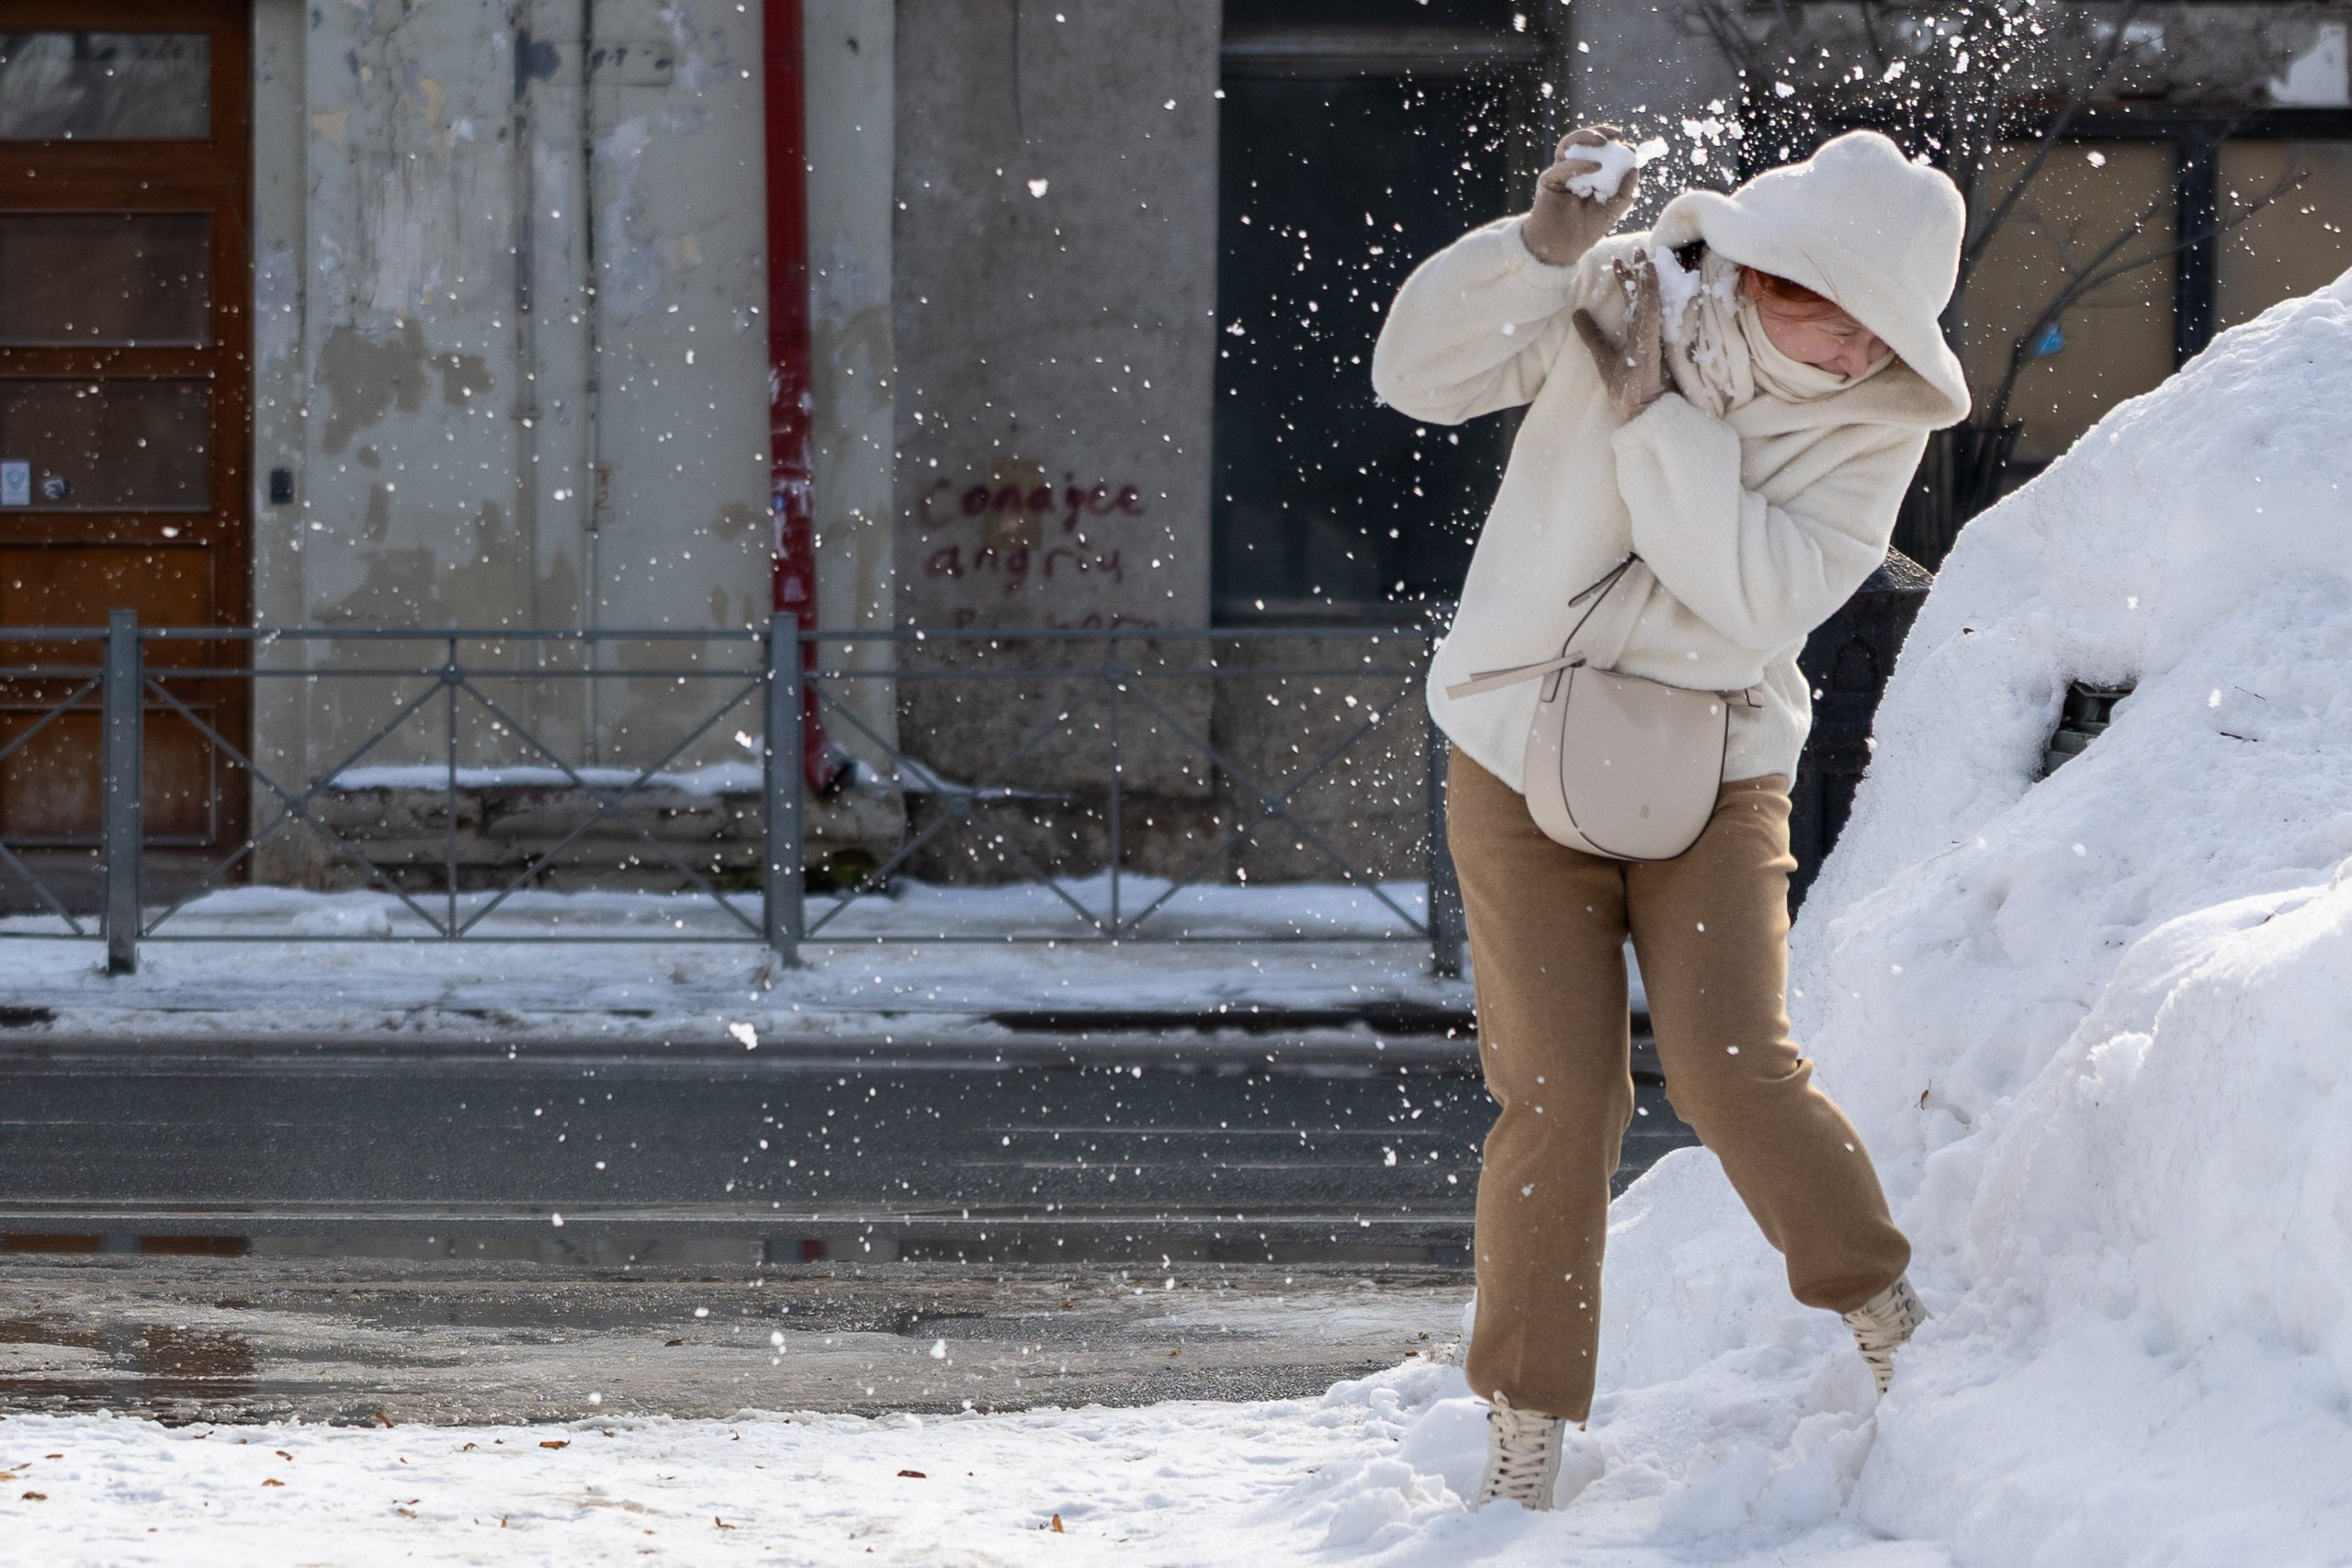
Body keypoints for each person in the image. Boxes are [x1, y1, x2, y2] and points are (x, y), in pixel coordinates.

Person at [1371, 128, 1971, 1511]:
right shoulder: (1626, 289)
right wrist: (1541, 257)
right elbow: (1417, 378)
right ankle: (1525, 1428)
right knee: (1559, 1097)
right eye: (1829, 320)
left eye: (1879, 337)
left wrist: (1652, 418)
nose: (1852, 357)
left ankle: (1884, 1314)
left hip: (1716, 767)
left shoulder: (1872, 428)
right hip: (1520, 749)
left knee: (1729, 1064)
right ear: (1760, 277)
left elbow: (1754, 598)